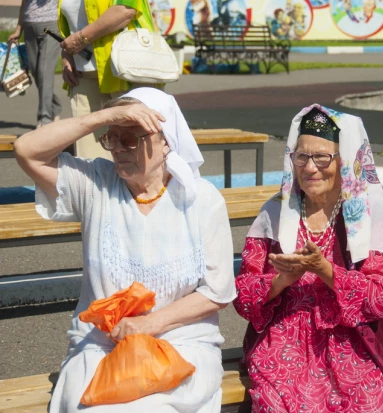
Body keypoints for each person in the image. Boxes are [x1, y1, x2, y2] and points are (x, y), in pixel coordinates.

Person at [14, 87, 236, 412]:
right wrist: (104, 117)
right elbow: (26, 150)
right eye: (111, 138)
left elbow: (217, 293)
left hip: (180, 345)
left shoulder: (202, 199)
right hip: (102, 347)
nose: (118, 148)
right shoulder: (96, 184)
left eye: (130, 138)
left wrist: (150, 324)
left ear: (166, 142)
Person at [233, 104, 383, 412]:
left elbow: (379, 299)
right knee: (279, 404)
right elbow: (243, 298)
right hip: (283, 342)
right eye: (302, 156)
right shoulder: (275, 213)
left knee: (370, 403)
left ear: (346, 161)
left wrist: (326, 270)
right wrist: (282, 279)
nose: (310, 168)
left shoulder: (368, 215)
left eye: (322, 157)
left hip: (353, 342)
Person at [57, 0, 158, 160]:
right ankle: (98, 185)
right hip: (83, 74)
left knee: (138, 145)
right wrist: (66, 55)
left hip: (125, 70)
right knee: (89, 153)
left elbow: (126, 10)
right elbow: (70, 24)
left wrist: (80, 39)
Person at [8, 0, 62, 128]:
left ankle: (45, 119)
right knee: (37, 74)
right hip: (29, 25)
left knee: (44, 72)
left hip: (50, 24)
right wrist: (18, 29)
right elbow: (24, 3)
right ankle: (54, 107)